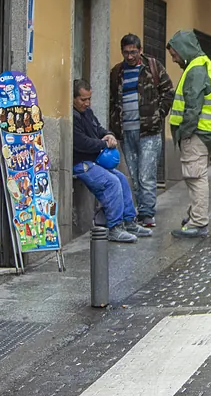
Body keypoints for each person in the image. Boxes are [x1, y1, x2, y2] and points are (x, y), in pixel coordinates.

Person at [109, 33, 175, 230]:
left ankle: (147, 214)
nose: (129, 56)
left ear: (140, 50)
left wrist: (158, 114)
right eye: (126, 52)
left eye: (133, 52)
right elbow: (113, 100)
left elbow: (168, 92)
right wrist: (114, 125)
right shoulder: (116, 72)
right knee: (135, 175)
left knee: (146, 175)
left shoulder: (153, 67)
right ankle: (141, 212)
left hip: (149, 131)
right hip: (126, 131)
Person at [72, 79, 147, 243]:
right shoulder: (73, 117)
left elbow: (98, 129)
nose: (87, 103)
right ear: (73, 99)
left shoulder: (87, 113)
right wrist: (103, 143)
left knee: (121, 178)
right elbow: (81, 143)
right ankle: (114, 227)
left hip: (93, 161)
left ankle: (129, 221)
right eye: (83, 99)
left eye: (89, 99)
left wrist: (108, 134)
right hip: (81, 163)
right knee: (112, 182)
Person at [166, 30, 211, 239]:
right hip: (208, 131)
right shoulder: (203, 65)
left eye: (174, 55)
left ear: (183, 50)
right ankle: (194, 217)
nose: (174, 60)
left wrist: (184, 133)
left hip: (198, 132)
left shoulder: (195, 70)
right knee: (196, 175)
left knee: (195, 176)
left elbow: (192, 108)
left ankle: (198, 223)